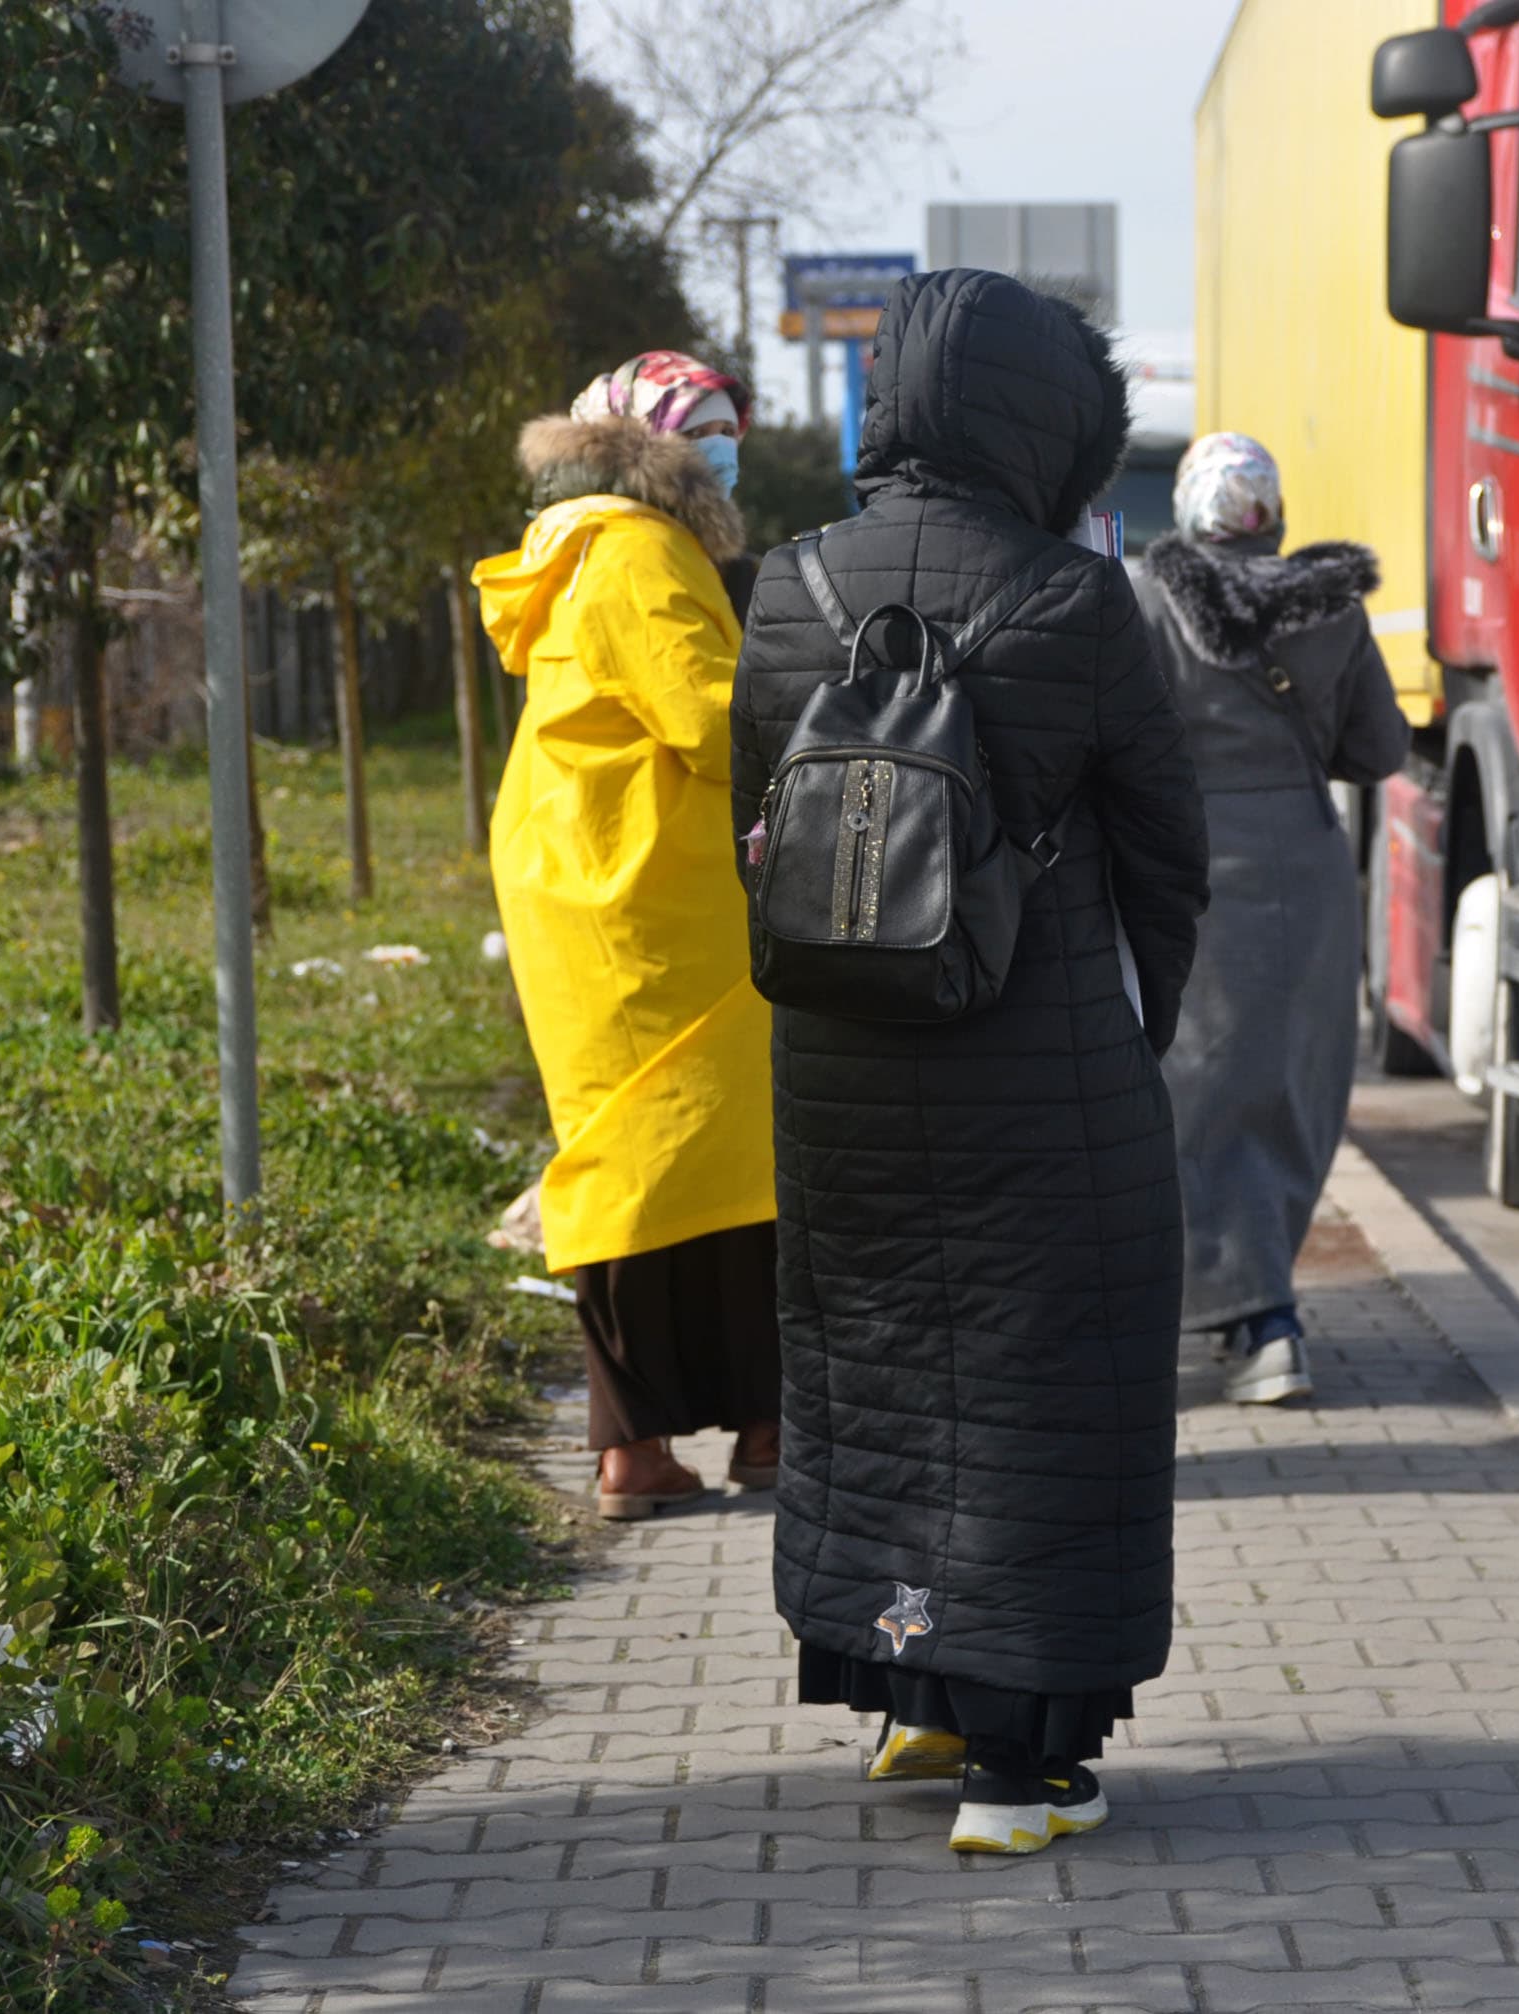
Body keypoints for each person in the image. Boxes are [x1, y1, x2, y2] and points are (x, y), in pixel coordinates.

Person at [731, 269, 1209, 1858]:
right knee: (1038, 1381)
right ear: (1047, 418)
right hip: (1044, 1070)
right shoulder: (1077, 602)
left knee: (872, 1369)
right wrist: (1135, 1029)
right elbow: (1166, 858)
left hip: (839, 1075)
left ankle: (909, 1695)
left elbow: (759, 831)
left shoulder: (785, 588)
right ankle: (1023, 1771)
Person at [474, 351, 781, 1522]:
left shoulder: (580, 544)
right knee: (722, 1157)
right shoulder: (642, 551)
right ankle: (733, 1432)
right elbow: (712, 714)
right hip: (655, 898)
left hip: (598, 882)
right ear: (649, 447)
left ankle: (648, 1446)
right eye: (706, 430)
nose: (725, 446)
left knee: (642, 1164)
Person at [1134, 433, 1410, 1406]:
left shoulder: (1145, 601)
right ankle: (1262, 1311)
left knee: (1195, 1092)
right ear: (1273, 515)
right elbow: (1379, 747)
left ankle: (1253, 1320)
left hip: (1189, 876)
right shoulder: (1330, 610)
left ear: (1186, 511)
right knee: (1292, 1091)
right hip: (1307, 865)